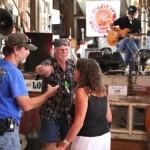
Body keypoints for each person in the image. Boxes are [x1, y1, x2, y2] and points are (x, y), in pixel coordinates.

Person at [0, 33, 59, 150]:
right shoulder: (14, 73)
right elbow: (26, 105)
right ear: (15, 49)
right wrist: (48, 94)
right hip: (6, 133)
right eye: (26, 49)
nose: (28, 52)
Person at [57, 58, 112, 150]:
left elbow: (78, 123)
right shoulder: (102, 90)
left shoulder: (82, 91)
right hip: (105, 136)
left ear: (83, 73)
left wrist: (63, 145)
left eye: (76, 69)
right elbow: (109, 118)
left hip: (87, 139)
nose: (74, 72)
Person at [35, 38, 75, 150]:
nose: (64, 52)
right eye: (61, 50)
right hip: (50, 112)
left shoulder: (72, 64)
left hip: (67, 112)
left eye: (66, 49)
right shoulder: (49, 62)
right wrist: (43, 70)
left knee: (68, 143)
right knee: (50, 145)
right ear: (54, 51)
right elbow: (38, 69)